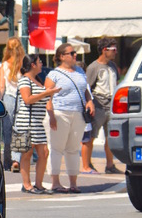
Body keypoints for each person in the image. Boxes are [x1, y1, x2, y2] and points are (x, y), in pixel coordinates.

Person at [43, 43, 95, 194]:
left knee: (73, 149)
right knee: (56, 148)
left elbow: (85, 90)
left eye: (75, 53)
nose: (74, 55)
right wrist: (51, 115)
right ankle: (55, 182)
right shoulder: (54, 75)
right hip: (60, 113)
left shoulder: (79, 71)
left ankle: (73, 182)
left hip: (77, 114)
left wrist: (89, 101)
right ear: (61, 57)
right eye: (71, 53)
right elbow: (47, 97)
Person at [15, 54, 61, 194]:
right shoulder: (24, 80)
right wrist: (47, 92)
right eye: (39, 62)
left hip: (37, 122)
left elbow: (43, 99)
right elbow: (27, 99)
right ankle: (27, 184)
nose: (41, 64)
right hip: (25, 122)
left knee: (43, 153)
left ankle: (39, 184)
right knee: (26, 153)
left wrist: (51, 111)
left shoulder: (37, 80)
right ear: (33, 65)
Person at [81, 37, 123, 174]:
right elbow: (87, 87)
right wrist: (90, 103)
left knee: (110, 137)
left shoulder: (112, 67)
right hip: (98, 105)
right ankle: (87, 164)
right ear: (105, 50)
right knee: (91, 136)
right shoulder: (94, 67)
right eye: (113, 50)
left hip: (111, 106)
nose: (116, 53)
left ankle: (110, 165)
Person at [0, 37, 25, 172]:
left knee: (7, 131)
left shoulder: (4, 65)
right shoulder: (24, 64)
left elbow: (1, 86)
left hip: (8, 98)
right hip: (22, 98)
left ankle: (7, 161)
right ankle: (17, 160)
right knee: (21, 129)